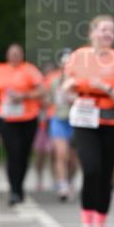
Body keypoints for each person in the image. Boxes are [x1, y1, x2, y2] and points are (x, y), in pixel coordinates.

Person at [64, 16, 114, 227]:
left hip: (111, 122)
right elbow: (66, 89)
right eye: (103, 30)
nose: (107, 34)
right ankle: (85, 226)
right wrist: (72, 94)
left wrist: (105, 87)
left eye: (111, 31)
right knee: (91, 169)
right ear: (92, 33)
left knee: (106, 172)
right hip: (84, 119)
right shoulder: (78, 57)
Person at [0, 43, 44, 204]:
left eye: (18, 53)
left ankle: (19, 185)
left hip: (28, 118)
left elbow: (42, 90)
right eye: (12, 53)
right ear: (7, 55)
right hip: (7, 119)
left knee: (23, 154)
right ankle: (14, 190)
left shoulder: (29, 70)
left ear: (22, 55)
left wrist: (23, 96)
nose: (15, 56)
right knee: (13, 154)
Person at [45, 50, 77, 201]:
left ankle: (69, 180)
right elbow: (47, 99)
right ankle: (62, 185)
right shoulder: (53, 80)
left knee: (73, 158)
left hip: (76, 120)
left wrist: (73, 99)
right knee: (61, 153)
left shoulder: (78, 79)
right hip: (58, 119)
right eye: (64, 63)